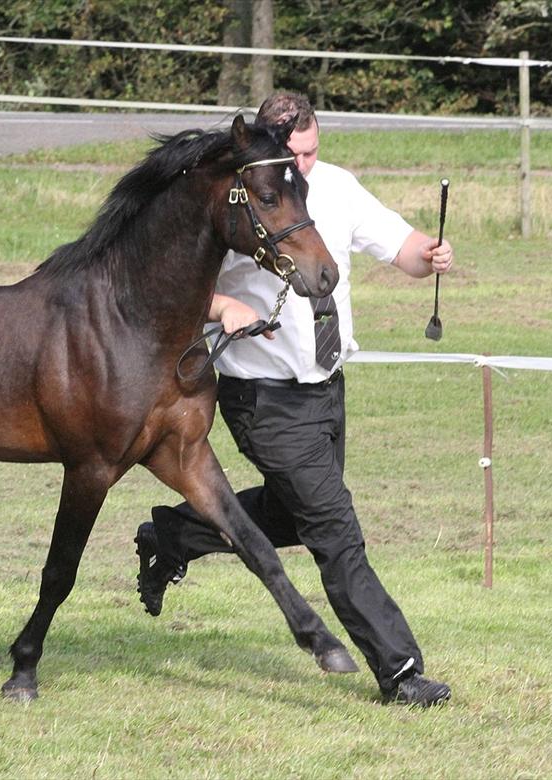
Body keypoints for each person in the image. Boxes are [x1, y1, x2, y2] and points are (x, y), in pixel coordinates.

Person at [136, 92, 454, 707]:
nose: (302, 166)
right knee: (336, 531)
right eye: (293, 154)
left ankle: (175, 531)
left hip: (327, 390)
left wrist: (430, 255)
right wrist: (224, 305)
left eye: (310, 152)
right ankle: (400, 670)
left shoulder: (334, 185)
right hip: (264, 399)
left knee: (293, 518)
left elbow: (404, 247)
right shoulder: (237, 197)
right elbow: (163, 288)